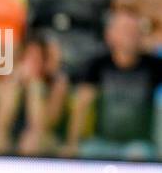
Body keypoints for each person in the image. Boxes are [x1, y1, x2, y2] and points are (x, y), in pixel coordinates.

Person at [67, 10, 162, 159]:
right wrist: (72, 143)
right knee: (86, 151)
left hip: (139, 144)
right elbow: (82, 104)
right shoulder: (97, 65)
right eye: (125, 30)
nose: (130, 35)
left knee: (138, 154)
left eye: (134, 30)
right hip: (102, 141)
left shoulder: (154, 66)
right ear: (110, 35)